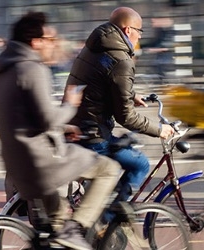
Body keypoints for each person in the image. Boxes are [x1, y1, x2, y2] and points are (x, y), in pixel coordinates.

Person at [0, 11, 121, 250]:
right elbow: (45, 120)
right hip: (42, 164)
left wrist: (62, 128)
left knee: (55, 223)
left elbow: (23, 118)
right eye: (50, 40)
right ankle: (76, 228)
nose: (53, 45)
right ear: (36, 42)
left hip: (16, 165)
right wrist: (69, 106)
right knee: (108, 169)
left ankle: (59, 236)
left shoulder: (3, 69)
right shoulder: (32, 69)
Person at [63, 6, 175, 223]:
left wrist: (131, 94)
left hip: (75, 125)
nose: (140, 36)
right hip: (93, 134)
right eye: (139, 31)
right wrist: (159, 130)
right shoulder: (122, 60)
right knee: (139, 163)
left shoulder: (95, 45)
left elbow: (101, 79)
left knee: (120, 162)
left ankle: (105, 211)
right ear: (127, 29)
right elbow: (126, 118)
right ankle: (109, 219)